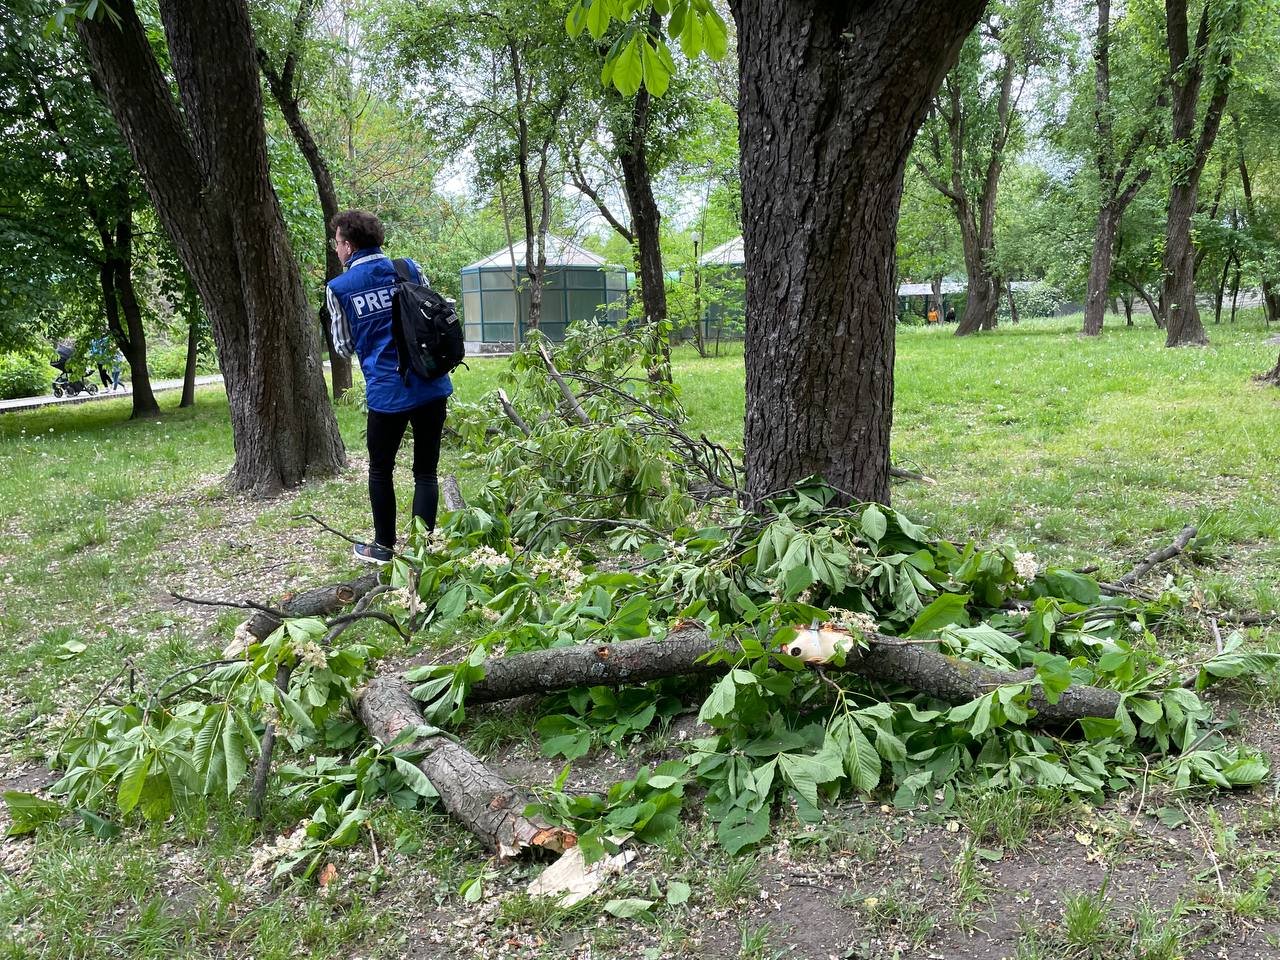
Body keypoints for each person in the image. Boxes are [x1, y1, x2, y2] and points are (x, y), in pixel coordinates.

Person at [326, 210, 452, 565]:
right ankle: (423, 550)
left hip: (387, 392)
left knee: (381, 469)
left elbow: (343, 346)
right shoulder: (408, 268)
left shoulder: (339, 288)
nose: (336, 249)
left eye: (337, 242)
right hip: (431, 385)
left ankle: (383, 547)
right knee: (426, 470)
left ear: (349, 246)